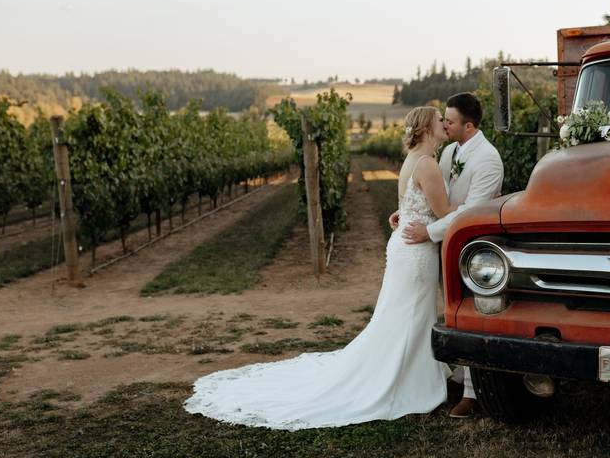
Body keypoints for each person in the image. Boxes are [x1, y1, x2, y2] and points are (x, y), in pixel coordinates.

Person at [184, 106, 457, 429]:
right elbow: (444, 213)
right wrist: (480, 205)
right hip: (416, 248)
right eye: (440, 120)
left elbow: (409, 207)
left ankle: (413, 373)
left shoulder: (412, 159)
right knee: (410, 314)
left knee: (400, 314)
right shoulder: (427, 164)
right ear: (427, 127)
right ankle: (408, 381)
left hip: (404, 244)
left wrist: (406, 218)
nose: (444, 124)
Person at [391, 92, 505, 418]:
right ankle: (458, 372)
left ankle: (472, 392)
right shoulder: (447, 151)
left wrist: (428, 230)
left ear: (467, 126)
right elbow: (430, 196)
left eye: (450, 121)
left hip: (471, 249)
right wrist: (410, 215)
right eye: (442, 120)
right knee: (452, 310)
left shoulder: (488, 159)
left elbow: (473, 212)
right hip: (440, 244)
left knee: (470, 312)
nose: (445, 124)